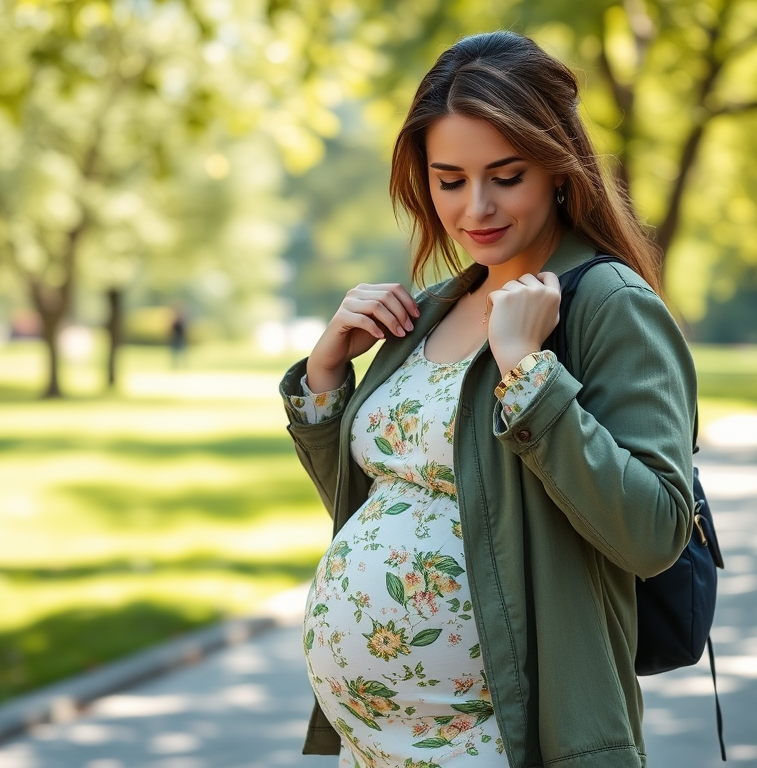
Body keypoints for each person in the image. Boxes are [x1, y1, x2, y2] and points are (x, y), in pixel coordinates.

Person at [279, 31, 697, 768]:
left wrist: (530, 375)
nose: (476, 207)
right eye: (449, 180)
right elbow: (380, 505)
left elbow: (654, 531)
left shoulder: (605, 304)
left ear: (560, 169)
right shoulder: (438, 306)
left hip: (503, 739)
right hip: (375, 747)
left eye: (506, 176)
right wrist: (324, 379)